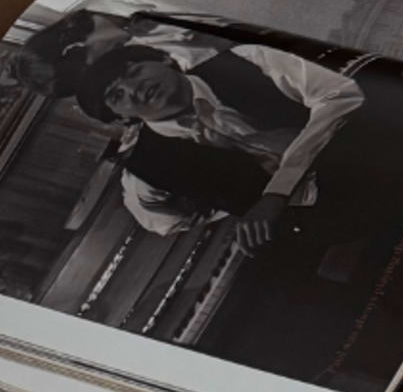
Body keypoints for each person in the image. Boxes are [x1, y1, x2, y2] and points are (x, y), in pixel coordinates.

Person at [47, 15, 365, 250]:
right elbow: (162, 223)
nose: (135, 88)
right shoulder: (146, 169)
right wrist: (222, 206)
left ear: (165, 59)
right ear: (121, 117)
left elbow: (341, 95)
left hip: (371, 162)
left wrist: (277, 191)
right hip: (325, 232)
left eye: (135, 71)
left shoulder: (247, 60)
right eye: (118, 96)